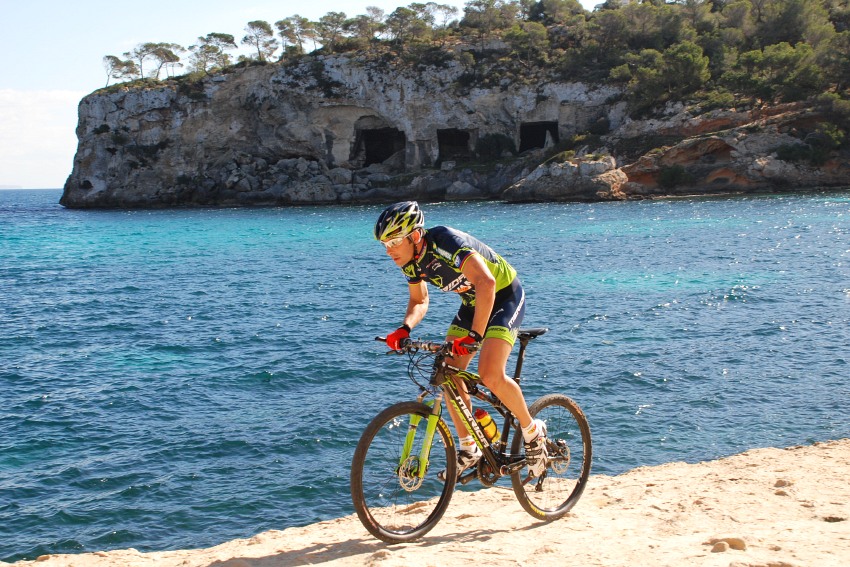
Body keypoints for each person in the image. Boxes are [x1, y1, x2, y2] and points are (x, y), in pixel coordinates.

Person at [374, 201, 547, 478]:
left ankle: (532, 431)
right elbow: (419, 300)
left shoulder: (445, 241)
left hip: (503, 297)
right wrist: (404, 329)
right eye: (385, 244)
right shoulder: (410, 263)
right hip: (472, 304)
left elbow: (487, 282)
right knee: (449, 373)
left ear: (415, 236)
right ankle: (470, 448)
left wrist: (475, 336)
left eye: (394, 241)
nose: (389, 250)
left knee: (490, 374)